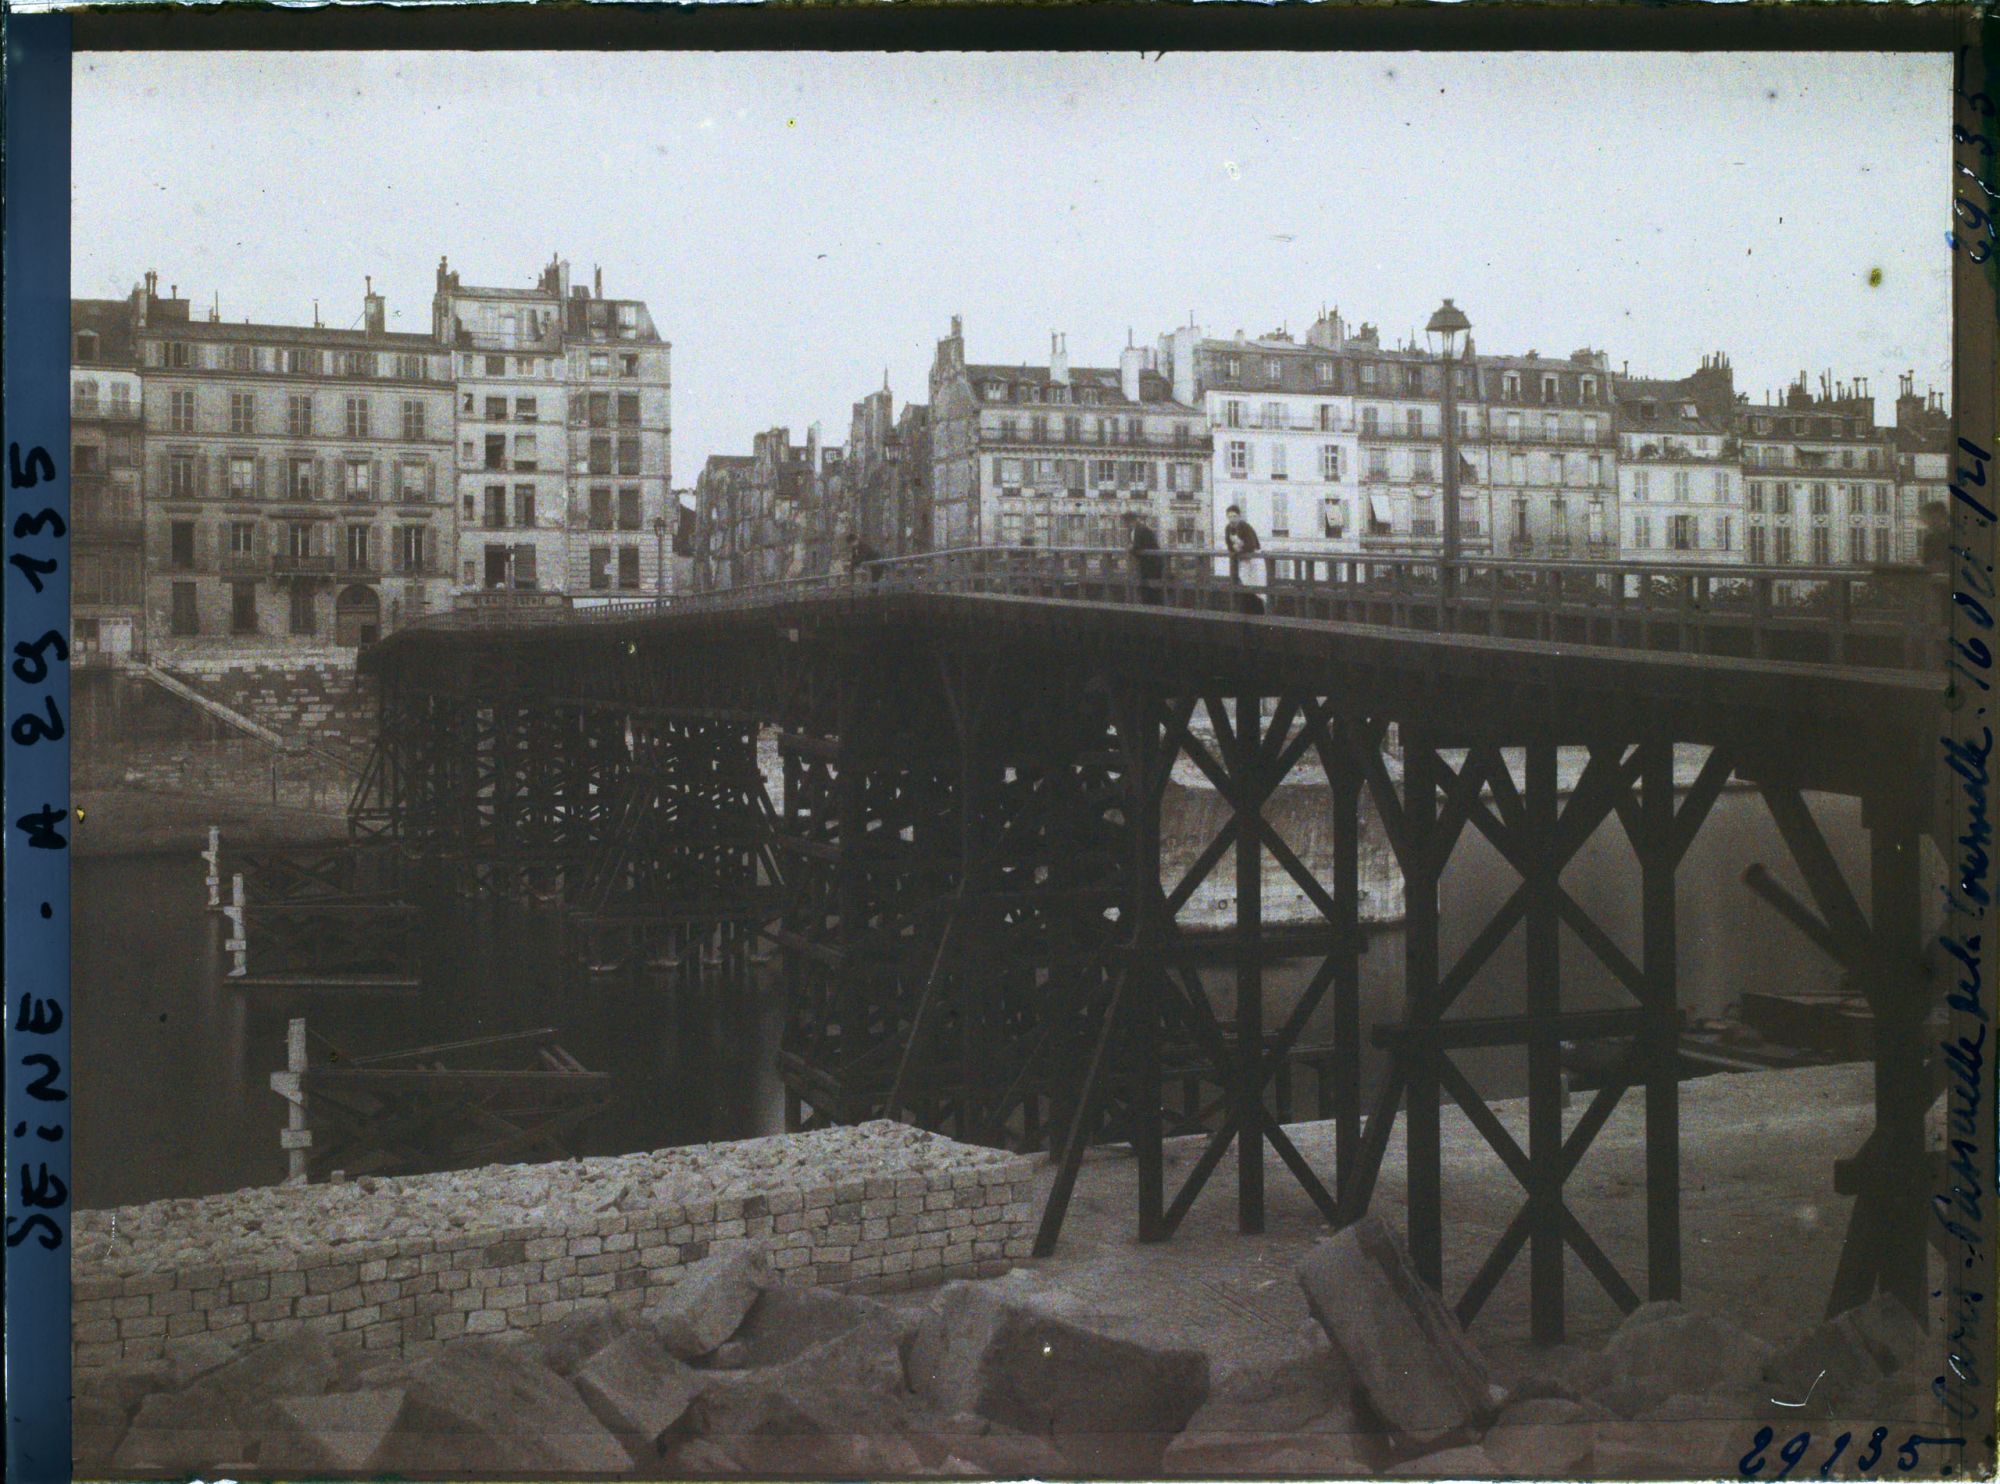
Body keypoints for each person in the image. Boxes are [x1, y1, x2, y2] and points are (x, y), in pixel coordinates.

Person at [1224, 504, 1266, 615]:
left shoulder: (1245, 527)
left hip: (1254, 559)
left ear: (1239, 517)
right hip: (1243, 560)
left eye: (1234, 516)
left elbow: (1251, 546)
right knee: (1244, 581)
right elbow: (1229, 545)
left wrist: (1240, 548)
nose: (1232, 519)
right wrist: (1235, 549)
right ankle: (1248, 610)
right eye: (1230, 517)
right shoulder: (1228, 529)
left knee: (1257, 585)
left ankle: (1260, 611)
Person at [1127, 510, 1165, 606]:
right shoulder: (1141, 528)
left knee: (1150, 588)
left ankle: (1151, 609)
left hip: (1151, 563)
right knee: (1151, 588)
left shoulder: (1139, 529)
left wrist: (1130, 548)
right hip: (1152, 562)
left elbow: (1137, 547)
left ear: (1131, 521)